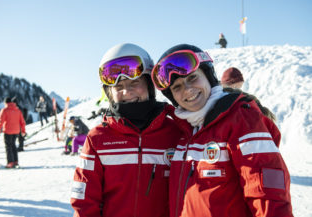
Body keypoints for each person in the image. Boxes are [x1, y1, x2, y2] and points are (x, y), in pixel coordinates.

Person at [151, 44, 293, 217]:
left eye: (192, 78)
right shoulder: (185, 132)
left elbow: (269, 194)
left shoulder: (241, 119)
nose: (187, 90)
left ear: (209, 76)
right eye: (177, 87)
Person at [70, 43, 182, 217]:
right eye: (118, 87)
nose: (126, 91)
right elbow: (84, 202)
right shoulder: (98, 139)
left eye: (134, 83)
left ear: (149, 85)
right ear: (109, 92)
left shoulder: (176, 133)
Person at [0, 97, 26, 168]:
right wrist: (23, 131)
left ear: (6, 103)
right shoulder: (17, 110)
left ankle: (10, 162)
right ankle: (15, 161)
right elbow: (22, 122)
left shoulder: (4, 110)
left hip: (8, 131)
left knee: (8, 147)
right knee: (14, 145)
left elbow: (0, 122)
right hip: (16, 131)